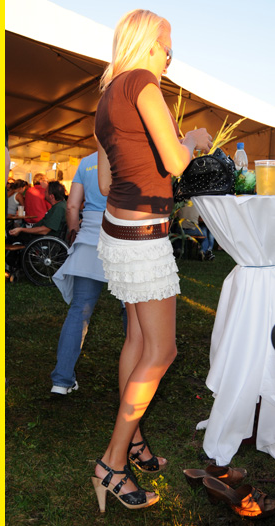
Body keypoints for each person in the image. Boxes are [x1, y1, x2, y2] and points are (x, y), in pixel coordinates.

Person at [91, 9, 212, 512]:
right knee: (162, 351)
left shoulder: (105, 98)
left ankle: (135, 439)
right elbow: (178, 162)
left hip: (116, 233)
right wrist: (194, 141)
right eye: (166, 46)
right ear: (146, 44)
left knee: (138, 341)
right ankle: (112, 463)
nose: (169, 56)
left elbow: (104, 183)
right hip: (143, 238)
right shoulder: (142, 83)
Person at [50, 151, 127, 395]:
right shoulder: (132, 153)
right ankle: (137, 376)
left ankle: (61, 381)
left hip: (90, 237)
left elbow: (72, 205)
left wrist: (74, 232)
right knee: (132, 312)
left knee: (79, 311)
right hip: (126, 238)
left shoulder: (87, 161)